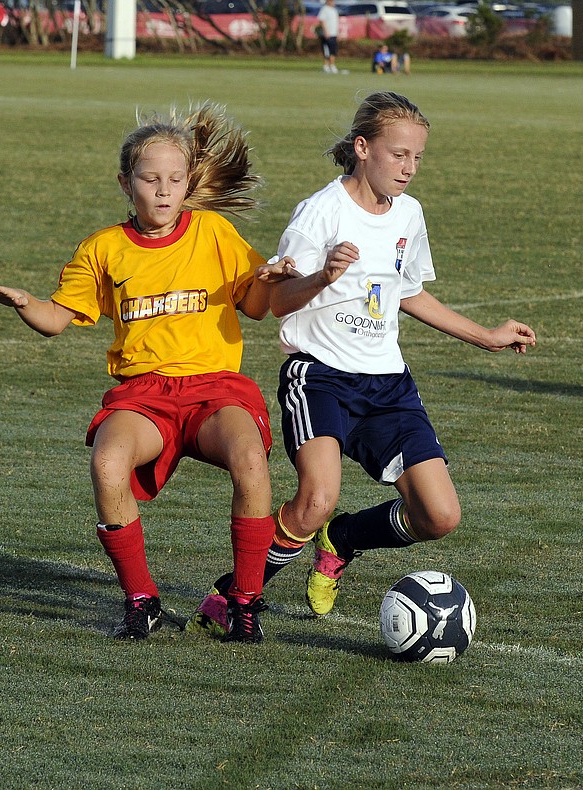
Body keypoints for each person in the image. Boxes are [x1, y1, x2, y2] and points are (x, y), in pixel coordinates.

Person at [191, 92, 536, 626]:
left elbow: (407, 291)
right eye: (398, 154)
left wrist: (485, 337)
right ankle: (232, 595)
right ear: (362, 148)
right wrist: (323, 276)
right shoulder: (320, 212)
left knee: (439, 516)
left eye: (417, 157)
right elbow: (277, 301)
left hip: (387, 384)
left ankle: (345, 538)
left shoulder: (409, 214)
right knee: (315, 501)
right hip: (319, 377)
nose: (409, 167)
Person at [0, 104, 295, 643]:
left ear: (188, 183)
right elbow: (56, 319)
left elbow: (256, 308)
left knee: (250, 460)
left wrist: (265, 278)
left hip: (214, 388)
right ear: (126, 183)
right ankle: (141, 600)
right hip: (144, 395)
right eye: (150, 179)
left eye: (175, 179)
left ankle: (243, 602)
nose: (164, 191)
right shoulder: (103, 248)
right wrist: (25, 303)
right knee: (107, 462)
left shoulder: (214, 232)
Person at [317, 0, 340, 74]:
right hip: (327, 34)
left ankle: (332, 65)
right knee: (327, 51)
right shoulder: (324, 9)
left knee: (333, 50)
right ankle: (326, 66)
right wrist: (325, 31)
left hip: (333, 33)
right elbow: (321, 21)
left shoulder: (334, 10)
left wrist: (337, 33)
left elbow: (336, 23)